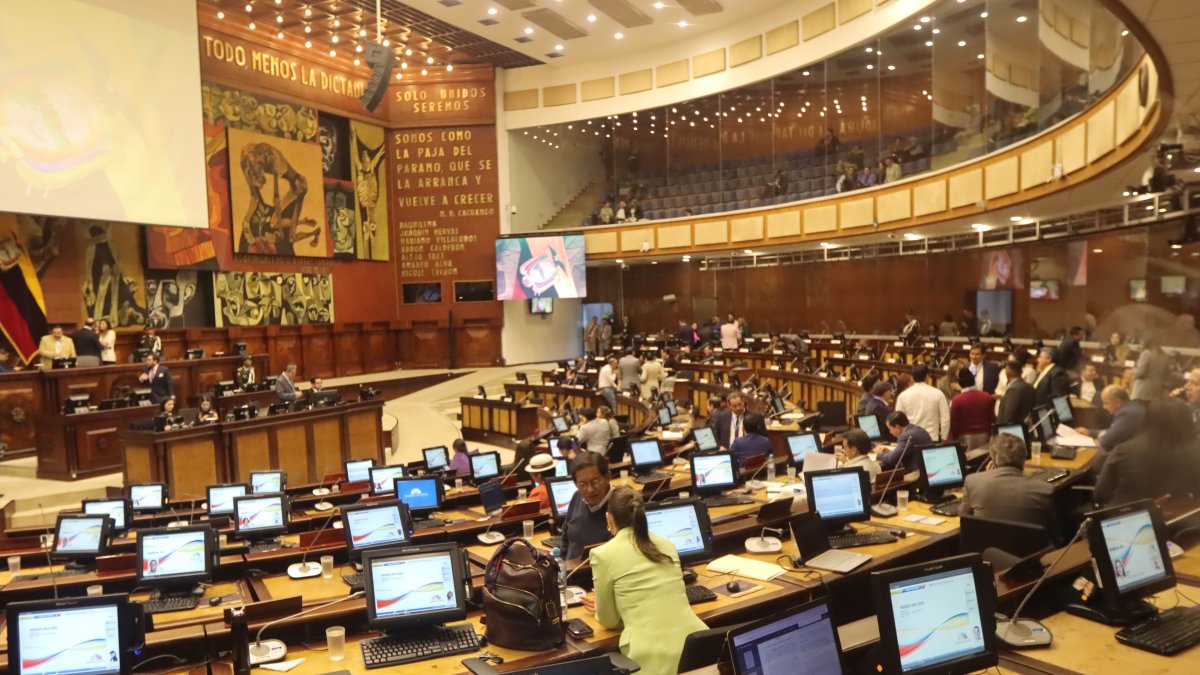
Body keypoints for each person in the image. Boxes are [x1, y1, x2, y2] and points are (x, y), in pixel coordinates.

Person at [583, 486, 707, 675]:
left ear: (609, 518)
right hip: (697, 644)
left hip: (652, 656)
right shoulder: (667, 544)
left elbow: (608, 620)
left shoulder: (602, 554)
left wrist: (605, 605)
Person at [1095, 396, 1200, 507]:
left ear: (1148, 418)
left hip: (1128, 520)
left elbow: (1100, 495)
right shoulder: (1196, 455)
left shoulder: (1123, 451)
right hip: (1181, 521)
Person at [960, 434, 1060, 541]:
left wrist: (987, 476)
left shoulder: (973, 482)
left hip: (988, 553)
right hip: (1031, 555)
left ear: (994, 461)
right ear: (1023, 460)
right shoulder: (1044, 489)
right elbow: (1055, 534)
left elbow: (963, 516)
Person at [561, 452, 613, 560]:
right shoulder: (577, 497)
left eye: (595, 481)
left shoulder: (621, 505)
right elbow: (565, 537)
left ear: (608, 477)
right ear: (576, 485)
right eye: (582, 485)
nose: (590, 490)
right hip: (570, 573)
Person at [1076, 385, 1144, 453]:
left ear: (1118, 402)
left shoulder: (1126, 414)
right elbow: (1113, 431)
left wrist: (1103, 436)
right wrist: (1090, 432)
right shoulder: (1130, 407)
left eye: (1106, 403)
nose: (1104, 407)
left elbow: (1105, 441)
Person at [895, 364, 950, 441]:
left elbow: (898, 419)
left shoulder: (903, 395)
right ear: (927, 377)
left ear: (912, 378)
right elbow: (945, 419)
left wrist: (901, 438)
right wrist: (944, 437)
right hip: (932, 438)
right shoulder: (938, 394)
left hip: (910, 438)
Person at [949, 386, 994, 451]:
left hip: (965, 437)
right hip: (984, 435)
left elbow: (954, 423)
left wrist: (954, 438)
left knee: (968, 459)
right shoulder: (986, 397)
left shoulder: (957, 400)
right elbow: (992, 419)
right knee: (984, 459)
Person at [996, 360, 1035, 425]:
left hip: (1012, 429)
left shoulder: (1013, 389)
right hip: (1024, 426)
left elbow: (1009, 415)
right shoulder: (1029, 386)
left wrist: (1005, 430)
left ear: (1008, 371)